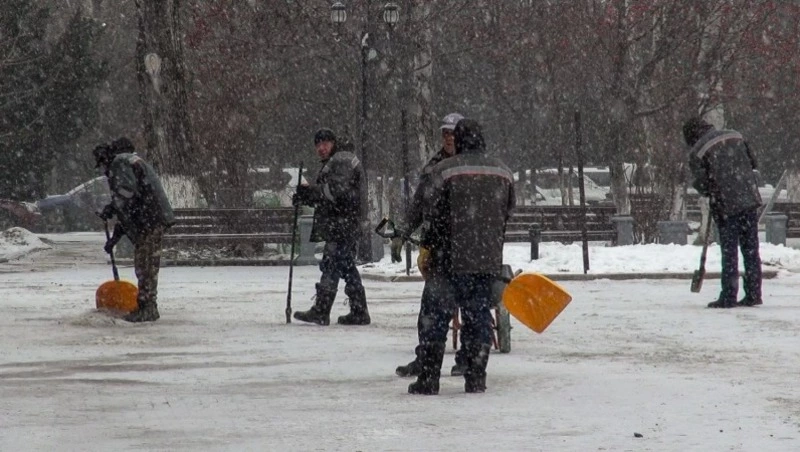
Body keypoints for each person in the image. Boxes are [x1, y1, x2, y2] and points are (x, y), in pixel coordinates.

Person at [407, 118, 515, 395]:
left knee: (435, 317)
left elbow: (429, 211)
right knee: (478, 316)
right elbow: (507, 211)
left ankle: (429, 379)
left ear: (461, 139)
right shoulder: (503, 171)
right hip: (486, 258)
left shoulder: (444, 170)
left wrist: (427, 244)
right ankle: (475, 375)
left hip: (449, 257)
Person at [392, 112, 471, 378]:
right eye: (445, 134)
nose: (449, 138)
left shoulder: (472, 164)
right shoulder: (432, 167)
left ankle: (467, 359)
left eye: (453, 133)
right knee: (431, 309)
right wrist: (403, 232)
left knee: (471, 309)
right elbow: (418, 204)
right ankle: (425, 358)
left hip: (469, 249)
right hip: (440, 248)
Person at [292, 128, 371, 325]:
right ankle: (359, 311)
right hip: (346, 222)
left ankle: (322, 309)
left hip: (343, 223)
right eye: (318, 144)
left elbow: (336, 192)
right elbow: (332, 196)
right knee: (345, 266)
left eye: (325, 143)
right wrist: (309, 195)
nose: (321, 148)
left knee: (332, 263)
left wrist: (310, 193)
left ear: (334, 142)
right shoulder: (339, 160)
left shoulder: (342, 159)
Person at [684, 117, 763, 308]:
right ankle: (754, 293)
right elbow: (753, 163)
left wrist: (711, 186)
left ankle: (728, 296)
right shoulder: (736, 136)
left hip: (726, 205)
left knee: (729, 251)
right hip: (749, 199)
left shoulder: (697, 152)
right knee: (751, 250)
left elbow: (703, 183)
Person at [95, 137, 175, 322]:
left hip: (149, 219)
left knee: (145, 265)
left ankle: (148, 308)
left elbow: (127, 194)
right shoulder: (131, 161)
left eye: (101, 166)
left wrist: (112, 207)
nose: (103, 171)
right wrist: (114, 239)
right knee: (146, 263)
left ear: (106, 158)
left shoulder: (120, 161)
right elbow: (130, 206)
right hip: (152, 218)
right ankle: (146, 305)